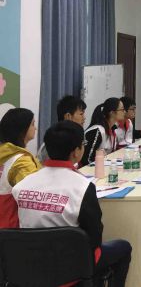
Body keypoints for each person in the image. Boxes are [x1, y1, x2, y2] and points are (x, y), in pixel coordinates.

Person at [13, 121, 132, 286]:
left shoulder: (21, 186)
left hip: (28, 266)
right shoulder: (82, 187)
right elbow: (95, 235)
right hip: (70, 269)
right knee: (123, 248)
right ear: (76, 151)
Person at [0, 108, 41, 228]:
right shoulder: (21, 162)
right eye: (32, 124)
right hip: (13, 230)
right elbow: (34, 196)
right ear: (22, 129)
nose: (35, 128)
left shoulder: (5, 154)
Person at [37, 95, 87, 163]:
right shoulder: (55, 140)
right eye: (81, 114)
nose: (84, 118)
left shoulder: (75, 135)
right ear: (68, 116)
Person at [81, 98, 125, 167]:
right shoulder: (97, 131)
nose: (124, 112)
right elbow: (86, 160)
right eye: (122, 109)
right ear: (112, 113)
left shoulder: (113, 129)